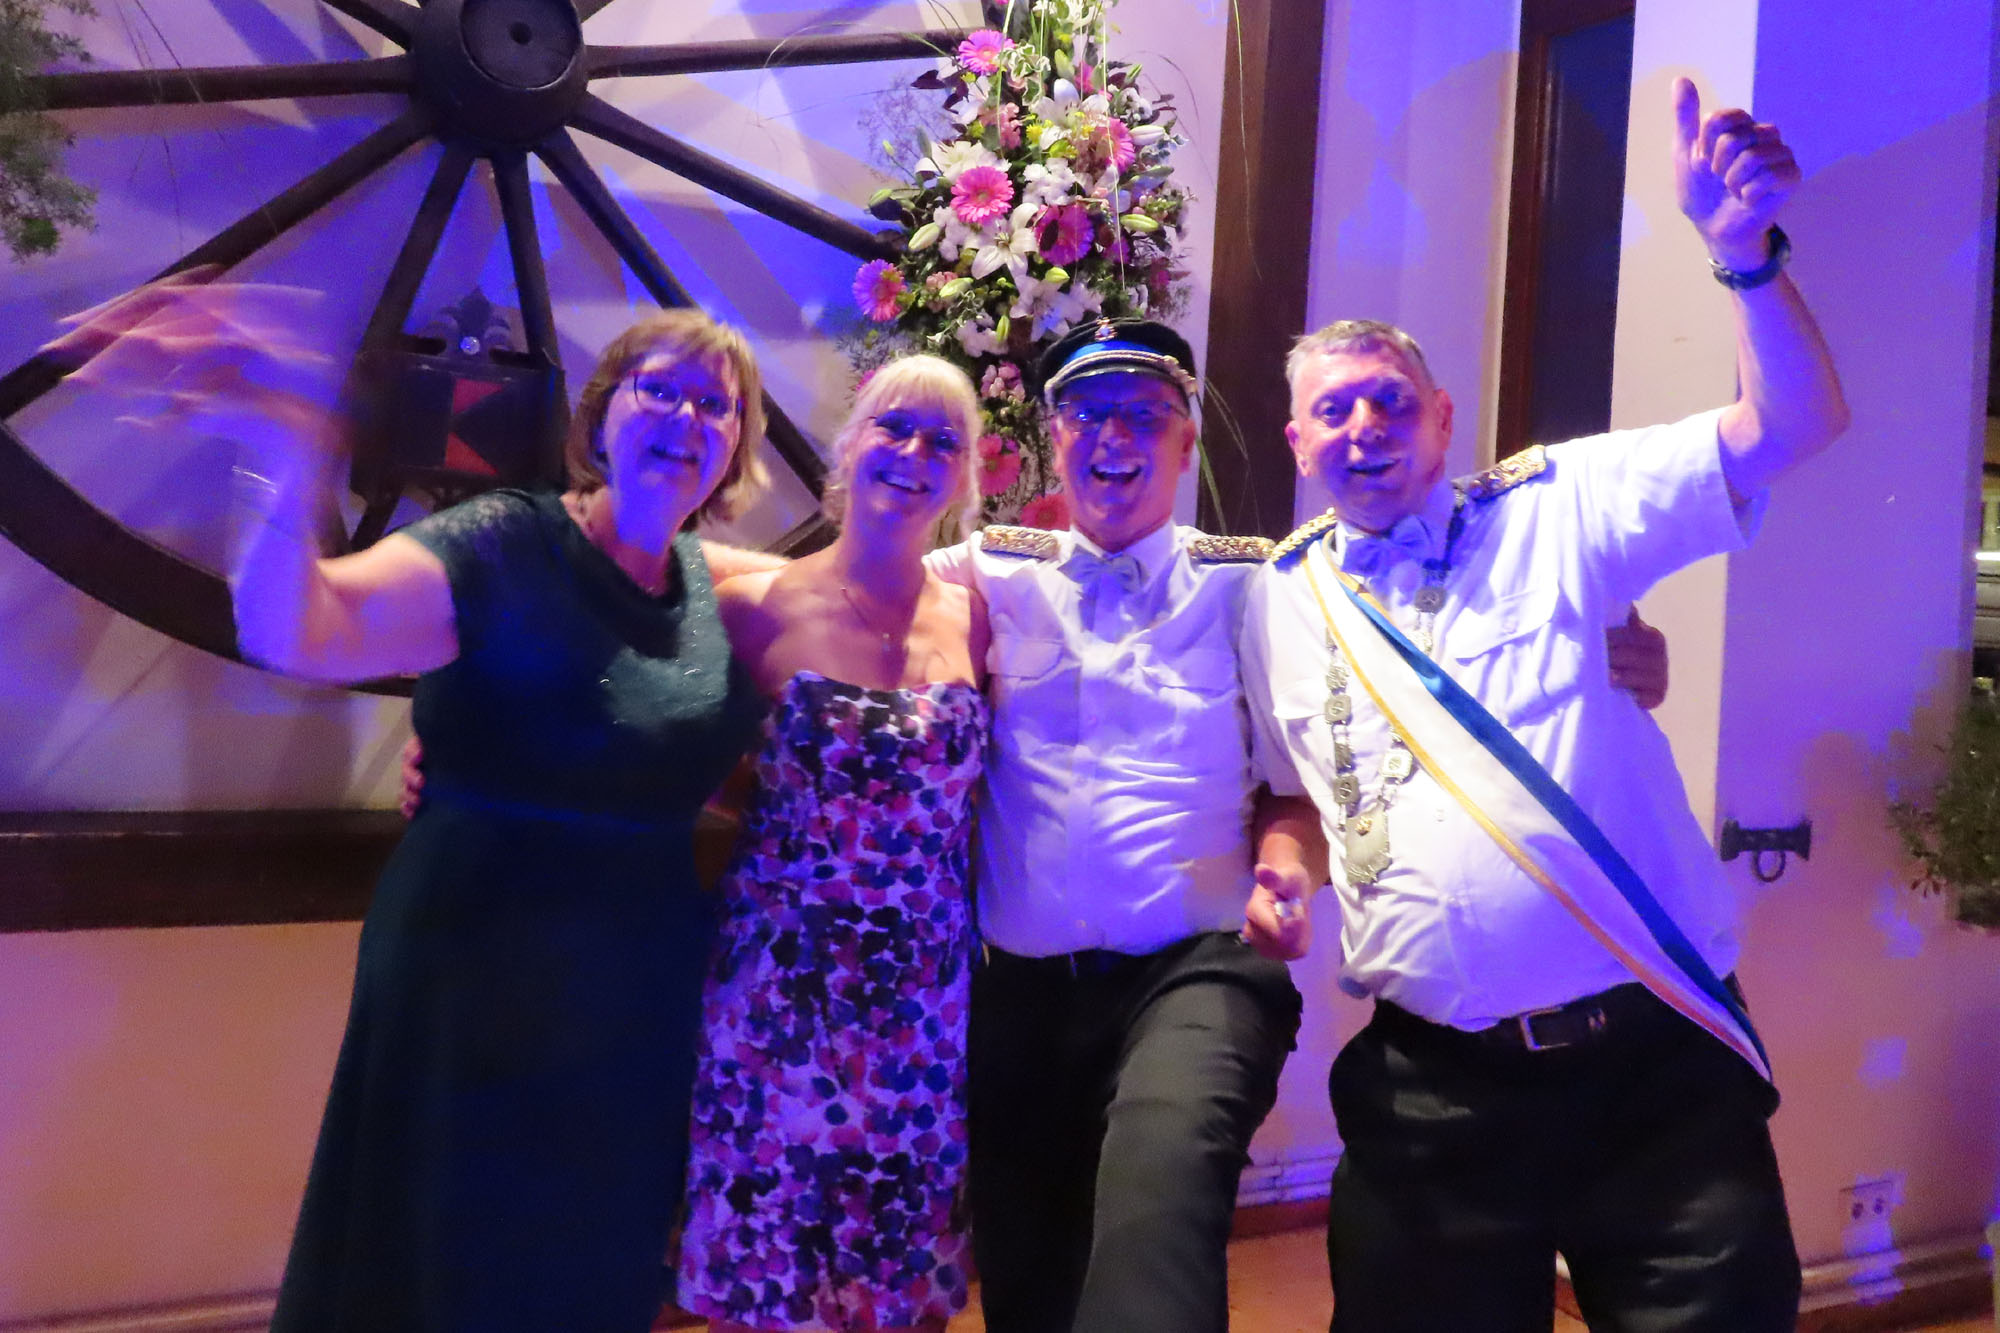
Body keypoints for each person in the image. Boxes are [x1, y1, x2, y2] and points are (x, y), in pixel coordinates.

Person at [1239, 80, 1848, 1332]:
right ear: (1297, 444)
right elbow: (1289, 789)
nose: (1363, 427)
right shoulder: (1269, 602)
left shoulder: (1556, 505)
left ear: (1440, 418)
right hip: (1430, 1088)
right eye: (1332, 411)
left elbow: (1791, 425)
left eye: (1389, 400)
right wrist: (1282, 867)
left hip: (1654, 1069)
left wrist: (1741, 254)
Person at [56, 291, 773, 1331]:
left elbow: (826, 633)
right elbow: (299, 628)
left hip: (635, 991)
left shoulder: (724, 595)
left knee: (591, 1256)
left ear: (738, 444)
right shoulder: (504, 543)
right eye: (659, 390)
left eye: (716, 404)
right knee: (447, 1252)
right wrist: (286, 438)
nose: (686, 417)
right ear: (604, 411)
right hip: (472, 965)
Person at [676, 355, 989, 1332]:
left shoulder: (979, 621)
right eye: (893, 427)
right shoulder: (754, 607)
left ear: (965, 476)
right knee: (765, 1271)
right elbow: (662, 744)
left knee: (899, 1275)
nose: (913, 453)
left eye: (943, 440)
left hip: (921, 1005)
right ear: (850, 446)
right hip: (780, 993)